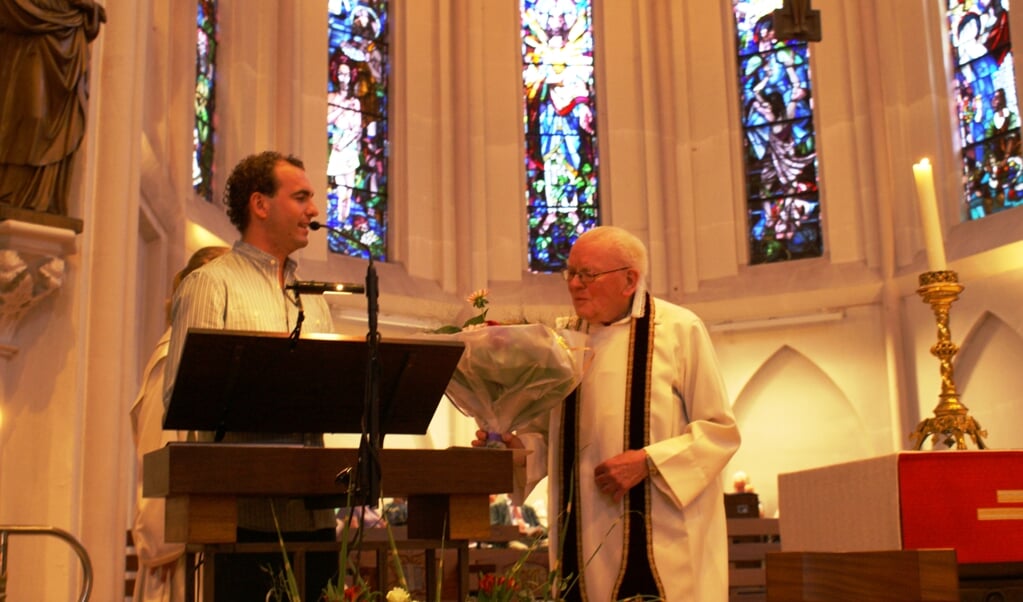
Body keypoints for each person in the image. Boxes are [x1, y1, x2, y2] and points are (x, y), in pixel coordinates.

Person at [476, 226, 740, 601]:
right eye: (571, 273)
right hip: (580, 533)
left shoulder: (679, 330)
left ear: (630, 279)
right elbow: (547, 435)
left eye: (588, 274)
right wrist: (513, 448)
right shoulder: (560, 340)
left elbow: (719, 431)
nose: (575, 285)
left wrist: (647, 462)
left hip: (661, 535)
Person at [163, 151, 339, 600]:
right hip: (242, 521)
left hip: (316, 517)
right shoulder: (210, 283)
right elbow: (180, 397)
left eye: (312, 199)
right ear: (260, 204)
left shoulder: (314, 299)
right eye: (300, 197)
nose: (314, 210)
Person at [130, 246, 229, 602]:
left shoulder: (203, 358)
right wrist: (161, 544)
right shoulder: (172, 359)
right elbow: (159, 457)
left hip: (208, 538)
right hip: (179, 557)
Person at [0, 0, 106, 215]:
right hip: (27, 43)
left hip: (66, 41)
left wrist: (86, 8)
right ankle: (11, 193)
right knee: (32, 116)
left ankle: (41, 197)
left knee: (54, 122)